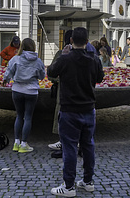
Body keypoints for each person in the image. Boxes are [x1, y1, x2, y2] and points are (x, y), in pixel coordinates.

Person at [47, 27, 104, 197]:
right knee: (88, 146)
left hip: (70, 109)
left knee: (70, 147)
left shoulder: (66, 58)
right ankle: (88, 181)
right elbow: (100, 78)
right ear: (87, 42)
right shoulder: (94, 59)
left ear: (71, 41)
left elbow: (50, 72)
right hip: (88, 108)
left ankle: (69, 186)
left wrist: (64, 56)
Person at [2, 38, 45, 153]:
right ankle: (24, 143)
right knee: (28, 117)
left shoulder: (16, 59)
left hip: (17, 90)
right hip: (31, 91)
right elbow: (42, 76)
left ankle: (16, 142)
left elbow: (8, 72)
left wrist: (5, 80)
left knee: (19, 116)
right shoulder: (38, 61)